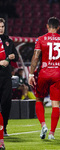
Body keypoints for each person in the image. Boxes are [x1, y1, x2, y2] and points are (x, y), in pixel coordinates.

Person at [28, 17, 60, 140]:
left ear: (47, 26)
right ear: (58, 27)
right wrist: (57, 61)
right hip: (57, 74)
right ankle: (52, 133)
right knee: (55, 105)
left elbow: (35, 57)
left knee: (39, 99)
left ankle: (43, 125)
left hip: (44, 73)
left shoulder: (41, 39)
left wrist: (31, 74)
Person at [0, 17, 19, 149]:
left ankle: (4, 127)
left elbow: (16, 56)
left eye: (2, 26)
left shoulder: (9, 41)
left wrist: (12, 56)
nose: (1, 29)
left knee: (6, 102)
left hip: (6, 76)